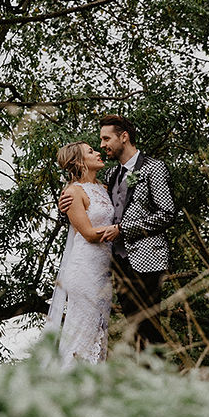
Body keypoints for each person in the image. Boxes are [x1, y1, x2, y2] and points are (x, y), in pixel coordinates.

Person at [59, 115, 176, 350]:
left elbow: (167, 213)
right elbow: (90, 204)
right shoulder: (111, 177)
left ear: (124, 137)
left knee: (148, 325)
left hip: (147, 259)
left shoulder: (154, 168)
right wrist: (63, 208)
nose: (102, 145)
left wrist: (123, 229)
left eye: (106, 138)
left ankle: (160, 380)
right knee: (134, 327)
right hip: (118, 265)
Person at [45, 142, 119, 367]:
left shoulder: (105, 189)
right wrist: (120, 230)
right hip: (85, 269)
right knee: (82, 333)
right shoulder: (72, 192)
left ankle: (90, 387)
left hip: (103, 272)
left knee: (98, 333)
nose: (98, 152)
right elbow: (87, 233)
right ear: (78, 162)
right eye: (90, 151)